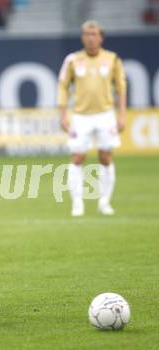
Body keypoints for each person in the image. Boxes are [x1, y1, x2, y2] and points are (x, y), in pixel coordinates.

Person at [57, 20, 127, 217]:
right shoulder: (72, 60)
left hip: (106, 115)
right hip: (80, 116)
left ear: (101, 37)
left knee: (105, 157)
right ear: (82, 37)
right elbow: (63, 86)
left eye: (94, 34)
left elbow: (121, 88)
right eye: (87, 34)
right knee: (77, 157)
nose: (90, 38)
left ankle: (104, 202)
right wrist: (63, 114)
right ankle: (77, 203)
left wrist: (122, 114)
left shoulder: (112, 59)